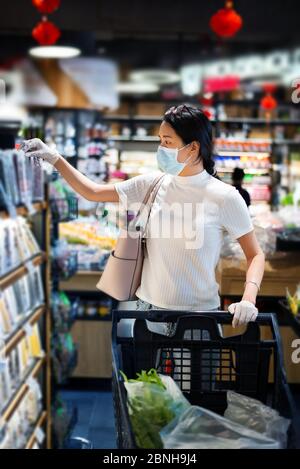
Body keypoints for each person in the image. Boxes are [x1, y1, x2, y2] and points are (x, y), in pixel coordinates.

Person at [20, 104, 265, 334]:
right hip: (149, 315)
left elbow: (255, 255)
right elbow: (93, 192)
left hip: (200, 318)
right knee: (148, 381)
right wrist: (55, 158)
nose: (161, 149)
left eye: (167, 142)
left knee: (195, 381)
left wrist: (248, 299)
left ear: (193, 147)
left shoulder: (225, 197)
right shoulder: (152, 184)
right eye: (160, 141)